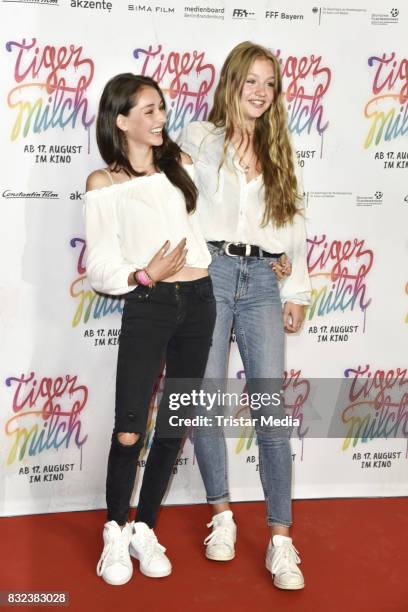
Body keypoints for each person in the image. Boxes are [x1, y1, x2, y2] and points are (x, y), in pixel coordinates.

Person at [179, 41, 311, 590]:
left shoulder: (281, 147)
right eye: (250, 81)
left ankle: (281, 540)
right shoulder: (199, 137)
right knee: (205, 401)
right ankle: (222, 517)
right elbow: (176, 199)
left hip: (262, 280)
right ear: (231, 82)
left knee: (270, 411)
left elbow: (296, 222)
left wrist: (296, 288)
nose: (260, 92)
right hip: (208, 274)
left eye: (269, 84)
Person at [84, 73, 216, 586]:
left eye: (161, 108)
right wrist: (144, 276)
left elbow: (227, 216)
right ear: (120, 121)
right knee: (129, 426)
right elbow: (98, 267)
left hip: (201, 300)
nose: (161, 118)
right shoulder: (105, 184)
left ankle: (145, 529)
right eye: (148, 111)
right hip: (150, 301)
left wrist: (274, 256)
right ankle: (115, 531)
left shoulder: (180, 167)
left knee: (174, 424)